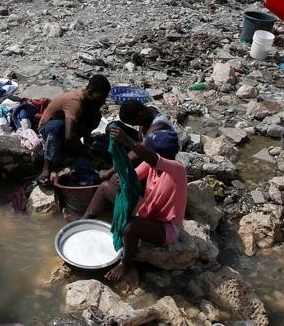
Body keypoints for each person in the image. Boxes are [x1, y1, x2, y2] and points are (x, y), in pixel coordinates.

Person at [84, 128, 187, 283]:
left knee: (129, 227)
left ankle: (126, 263)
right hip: (148, 210)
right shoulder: (150, 165)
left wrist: (128, 141)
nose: (144, 153)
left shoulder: (177, 170)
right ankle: (83, 223)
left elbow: (153, 158)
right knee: (105, 187)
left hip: (166, 227)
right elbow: (132, 177)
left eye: (148, 151)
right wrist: (121, 179)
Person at [36, 75, 111, 183]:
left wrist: (87, 146)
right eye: (101, 97)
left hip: (69, 128)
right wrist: (91, 158)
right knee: (59, 126)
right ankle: (46, 168)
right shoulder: (75, 102)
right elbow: (69, 136)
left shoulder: (87, 101)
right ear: (90, 92)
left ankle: (82, 147)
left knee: (95, 115)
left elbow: (86, 123)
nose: (103, 102)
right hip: (49, 128)